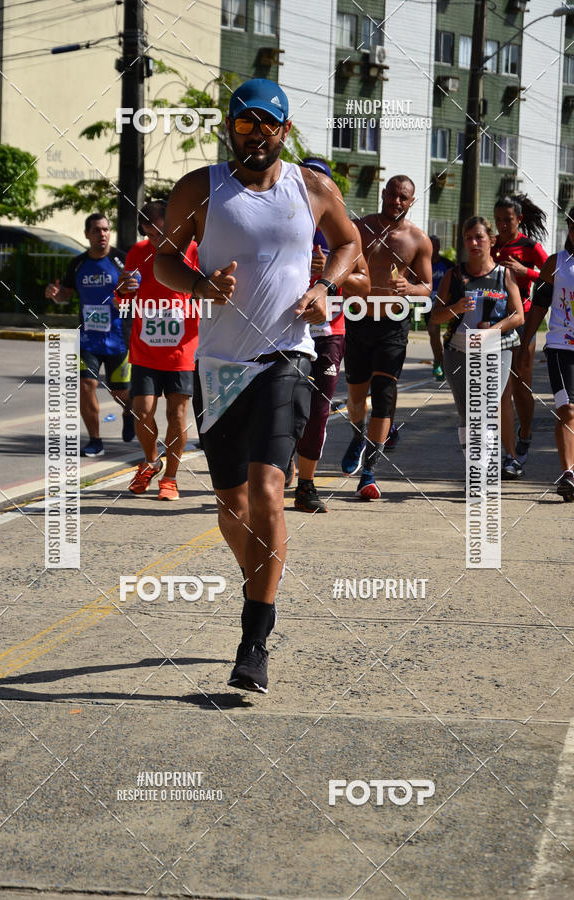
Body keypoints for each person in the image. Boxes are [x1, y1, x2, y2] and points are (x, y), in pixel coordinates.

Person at [154, 78, 360, 693]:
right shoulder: (200, 187)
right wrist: (199, 284)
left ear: (284, 130)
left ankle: (253, 643)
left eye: (266, 123)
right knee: (231, 507)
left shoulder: (312, 187)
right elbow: (163, 258)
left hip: (286, 357)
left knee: (269, 490)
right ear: (229, 127)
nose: (255, 134)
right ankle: (263, 581)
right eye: (244, 123)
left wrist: (326, 286)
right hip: (218, 367)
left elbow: (349, 242)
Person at [341, 175, 433, 499]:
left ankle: (369, 472)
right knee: (356, 397)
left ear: (411, 202)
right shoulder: (358, 228)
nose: (396, 201)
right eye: (392, 195)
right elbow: (341, 264)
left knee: (384, 394)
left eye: (403, 198)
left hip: (393, 323)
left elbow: (427, 287)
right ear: (383, 194)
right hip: (358, 319)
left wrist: (410, 288)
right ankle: (357, 434)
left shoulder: (418, 240)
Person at [291, 157, 370, 514]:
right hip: (283, 331)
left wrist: (332, 275)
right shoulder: (285, 220)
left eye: (319, 181)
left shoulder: (344, 230)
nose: (313, 188)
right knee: (282, 406)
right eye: (306, 180)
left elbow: (364, 285)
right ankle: (283, 462)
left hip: (328, 334)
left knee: (318, 410)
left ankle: (305, 486)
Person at [115, 200, 199, 500]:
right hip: (145, 349)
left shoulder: (193, 251)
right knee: (142, 411)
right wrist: (122, 290)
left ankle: (171, 478)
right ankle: (151, 462)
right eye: (149, 233)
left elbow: (207, 293)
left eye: (160, 232)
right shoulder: (137, 253)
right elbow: (124, 300)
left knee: (177, 414)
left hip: (182, 349)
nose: (155, 239)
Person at [431, 216, 523, 462]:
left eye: (479, 237)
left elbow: (518, 316)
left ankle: (485, 468)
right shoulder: (453, 275)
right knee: (467, 414)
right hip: (458, 350)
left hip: (496, 347)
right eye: (468, 238)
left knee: (486, 410)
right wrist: (456, 308)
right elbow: (436, 317)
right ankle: (475, 467)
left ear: (491, 240)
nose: (473, 243)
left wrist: (494, 331)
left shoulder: (504, 274)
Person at [45, 213, 134, 457]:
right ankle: (95, 441)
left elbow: (138, 292)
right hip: (87, 340)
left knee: (120, 393)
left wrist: (126, 301)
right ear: (87, 234)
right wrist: (55, 294)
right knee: (86, 386)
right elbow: (65, 294)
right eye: (96, 230)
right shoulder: (78, 264)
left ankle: (129, 412)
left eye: (105, 229)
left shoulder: (122, 260)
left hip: (118, 339)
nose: (102, 234)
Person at [515, 210, 574, 501]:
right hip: (562, 347)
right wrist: (525, 342)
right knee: (567, 409)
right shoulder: (555, 263)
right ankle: (568, 474)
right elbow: (538, 306)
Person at [492, 195, 548, 478]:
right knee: (499, 388)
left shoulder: (529, 247)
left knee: (520, 384)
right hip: (494, 322)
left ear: (519, 219)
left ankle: (525, 434)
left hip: (523, 320)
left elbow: (553, 275)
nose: (502, 225)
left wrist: (525, 271)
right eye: (498, 220)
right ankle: (506, 452)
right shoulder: (490, 245)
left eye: (508, 220)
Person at [427, 235, 450, 381]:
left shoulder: (447, 264)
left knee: (451, 334)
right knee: (432, 331)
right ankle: (439, 360)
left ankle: (448, 361)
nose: (432, 249)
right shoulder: (423, 263)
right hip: (429, 305)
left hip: (447, 304)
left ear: (439, 247)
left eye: (434, 246)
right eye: (430, 246)